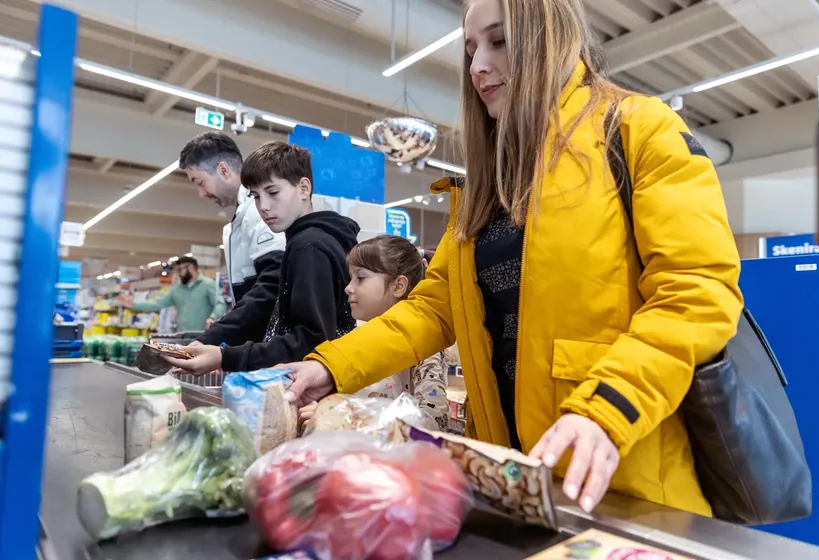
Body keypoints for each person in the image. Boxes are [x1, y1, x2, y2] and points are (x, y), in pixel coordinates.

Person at [279, 0, 743, 518]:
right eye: (471, 48)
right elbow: (432, 310)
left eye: (498, 41)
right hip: (511, 480)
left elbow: (698, 291)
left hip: (621, 474)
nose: (477, 66)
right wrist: (332, 366)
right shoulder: (484, 186)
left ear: (552, 35)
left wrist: (608, 408)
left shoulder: (637, 130)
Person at [166, 141, 359, 374]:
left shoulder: (309, 246)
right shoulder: (310, 240)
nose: (264, 206)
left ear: (304, 188)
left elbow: (310, 341)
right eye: (256, 196)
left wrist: (225, 356)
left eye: (273, 192)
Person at [298, 236, 449, 433]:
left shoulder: (425, 347)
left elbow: (434, 421)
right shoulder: (356, 338)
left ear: (398, 286)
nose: (348, 288)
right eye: (350, 278)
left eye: (360, 278)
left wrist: (347, 422)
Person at [179, 132, 286, 342]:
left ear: (223, 170)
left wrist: (217, 336)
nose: (201, 193)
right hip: (259, 347)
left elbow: (274, 284)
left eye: (199, 182)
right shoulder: (241, 217)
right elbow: (249, 295)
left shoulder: (257, 211)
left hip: (273, 352)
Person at [117, 257, 227, 333]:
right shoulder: (177, 289)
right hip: (182, 336)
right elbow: (157, 304)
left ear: (191, 268)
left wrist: (213, 317)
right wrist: (133, 305)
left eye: (180, 269)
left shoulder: (208, 284)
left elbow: (220, 303)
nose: (178, 273)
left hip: (204, 336)